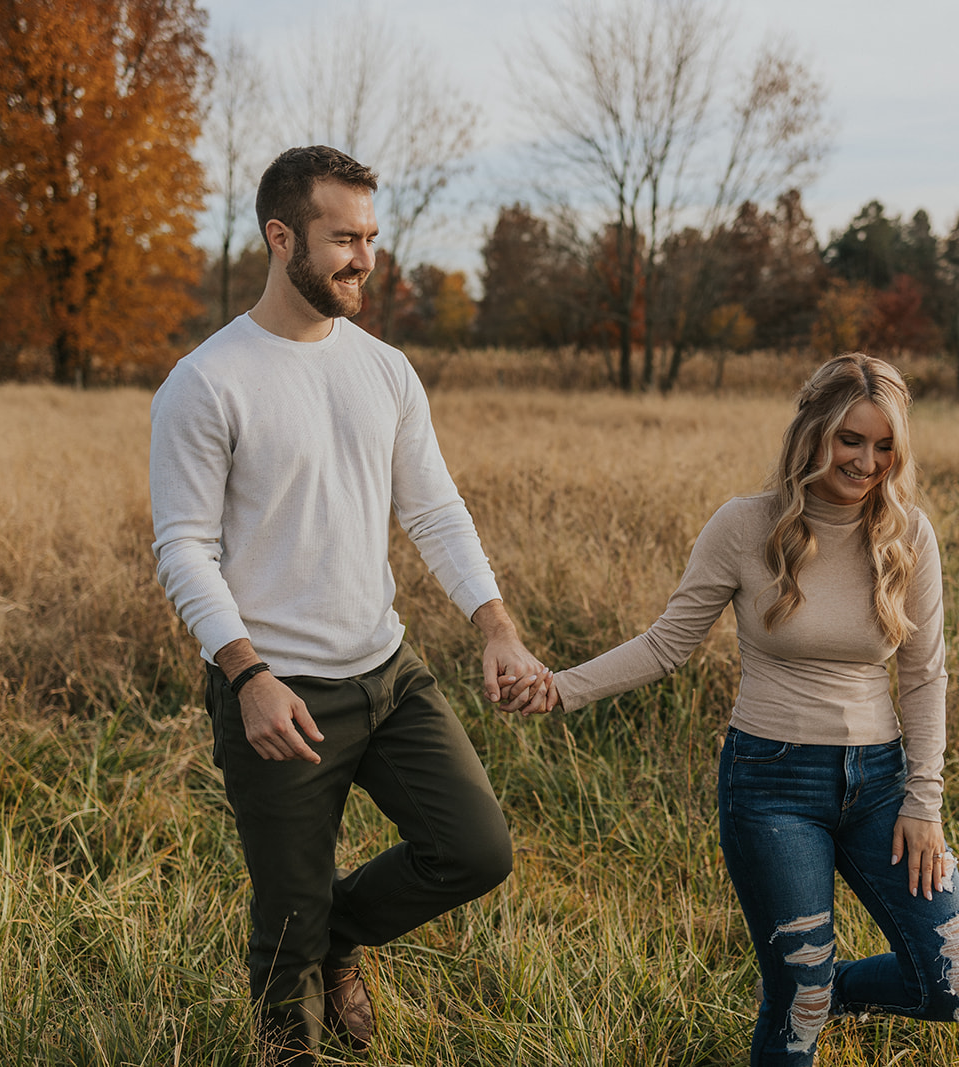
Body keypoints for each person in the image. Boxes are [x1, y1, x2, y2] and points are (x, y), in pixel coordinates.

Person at [150, 145, 554, 1063]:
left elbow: (434, 509)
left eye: (371, 238)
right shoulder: (206, 382)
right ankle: (297, 1007)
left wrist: (495, 623)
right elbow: (182, 548)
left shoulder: (386, 369)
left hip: (388, 672)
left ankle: (342, 933)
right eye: (343, 239)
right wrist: (246, 675)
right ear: (280, 236)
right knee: (282, 940)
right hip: (279, 692)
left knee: (475, 850)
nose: (364, 259)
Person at [533, 354, 959, 1064]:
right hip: (773, 784)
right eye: (849, 439)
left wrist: (924, 801)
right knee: (797, 1003)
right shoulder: (745, 525)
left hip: (881, 785)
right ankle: (799, 995)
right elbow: (665, 645)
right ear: (813, 432)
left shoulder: (908, 534)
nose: (866, 461)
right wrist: (562, 685)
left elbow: (924, 673)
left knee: (957, 983)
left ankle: (810, 989)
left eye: (883, 445)